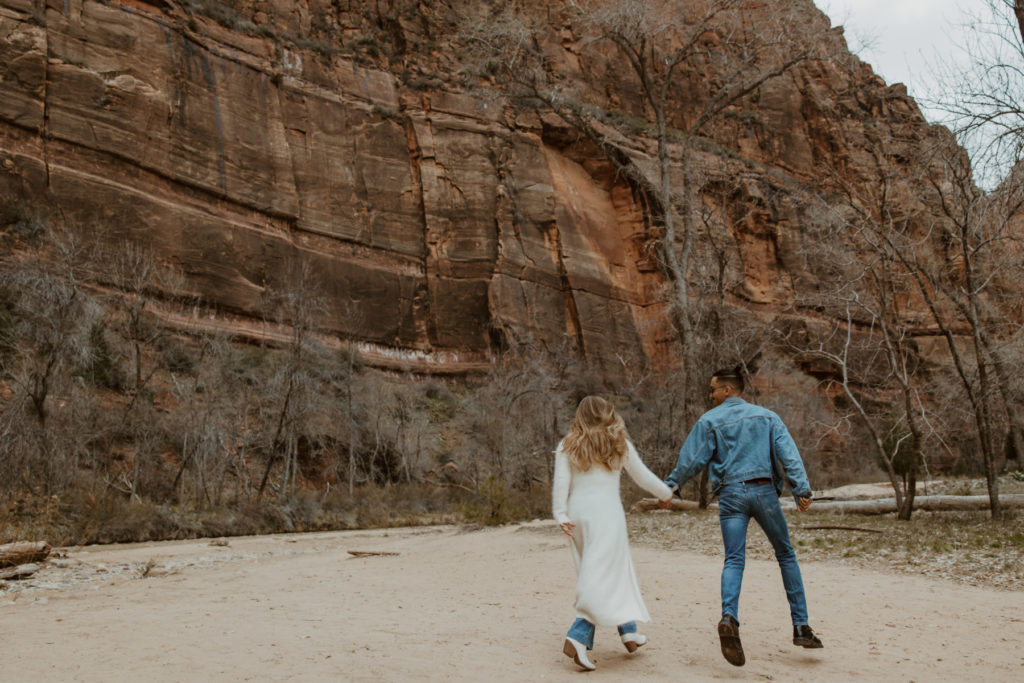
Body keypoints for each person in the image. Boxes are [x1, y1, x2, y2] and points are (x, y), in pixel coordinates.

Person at [662, 368, 824, 667]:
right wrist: (802, 489)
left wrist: (669, 486)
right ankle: (801, 627)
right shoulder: (768, 417)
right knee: (786, 555)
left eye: (713, 389)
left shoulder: (709, 421)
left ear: (727, 390)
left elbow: (692, 458)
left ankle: (729, 617)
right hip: (764, 492)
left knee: (734, 559)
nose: (710, 395)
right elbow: (788, 454)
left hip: (731, 496)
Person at [552, 395, 673, 671]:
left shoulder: (568, 444)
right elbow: (642, 477)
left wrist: (560, 514)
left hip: (577, 515)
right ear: (608, 414)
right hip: (607, 515)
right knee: (603, 574)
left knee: (603, 571)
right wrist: (665, 494)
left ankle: (629, 631)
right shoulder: (619, 445)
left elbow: (561, 483)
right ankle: (577, 636)